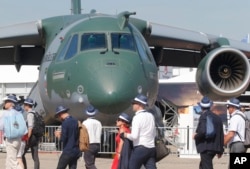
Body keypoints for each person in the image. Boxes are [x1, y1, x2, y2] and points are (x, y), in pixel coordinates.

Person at [121, 94, 156, 169]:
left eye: (134, 103)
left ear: (139, 105)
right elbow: (154, 133)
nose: (132, 105)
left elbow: (134, 136)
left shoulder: (137, 117)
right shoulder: (150, 116)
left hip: (141, 148)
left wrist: (125, 135)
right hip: (151, 147)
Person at [193, 96, 224, 169]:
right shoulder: (217, 118)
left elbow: (203, 131)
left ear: (201, 107)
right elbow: (221, 134)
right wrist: (220, 150)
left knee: (207, 166)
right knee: (202, 166)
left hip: (206, 147)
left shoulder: (203, 116)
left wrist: (195, 136)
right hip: (215, 147)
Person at [0, 94, 27, 169]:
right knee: (9, 161)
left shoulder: (6, 113)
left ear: (11, 103)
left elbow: (1, 126)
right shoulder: (19, 113)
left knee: (12, 162)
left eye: (6, 101)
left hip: (11, 140)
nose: (5, 103)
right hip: (18, 139)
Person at [22, 98, 40, 169]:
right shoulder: (35, 113)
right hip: (36, 137)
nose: (24, 106)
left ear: (27, 105)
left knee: (22, 154)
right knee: (35, 157)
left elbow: (30, 128)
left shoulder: (29, 114)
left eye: (24, 105)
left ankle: (24, 167)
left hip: (31, 137)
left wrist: (27, 138)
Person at [82, 105, 102, 169]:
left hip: (89, 143)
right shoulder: (98, 123)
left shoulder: (85, 123)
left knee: (89, 164)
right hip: (97, 143)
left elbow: (83, 134)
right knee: (91, 162)